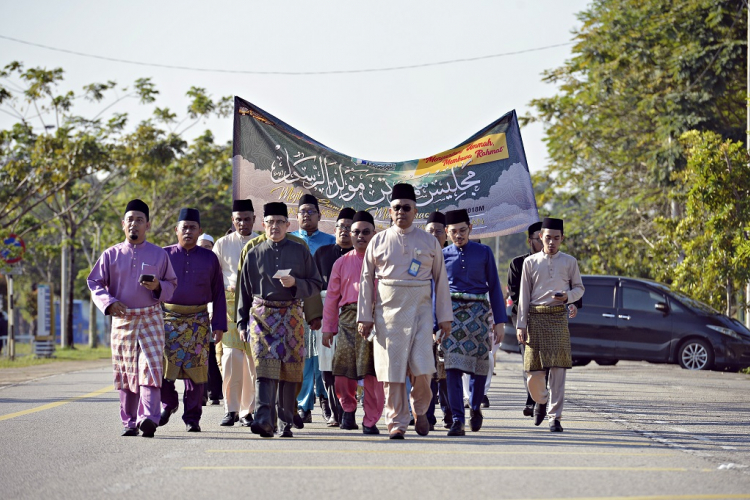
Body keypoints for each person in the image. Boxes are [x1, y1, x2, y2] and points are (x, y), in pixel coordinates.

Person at [358, 183, 452, 440]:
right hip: (387, 316)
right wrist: (364, 317)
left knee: (424, 369)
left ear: (415, 211)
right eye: (397, 207)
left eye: (406, 207)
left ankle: (420, 410)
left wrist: (444, 318)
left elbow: (441, 281)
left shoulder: (429, 241)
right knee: (392, 372)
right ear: (390, 211)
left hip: (421, 313)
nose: (401, 211)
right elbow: (366, 280)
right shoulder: (378, 241)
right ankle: (396, 422)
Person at [87, 199, 177, 437]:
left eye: (139, 220)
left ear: (147, 225)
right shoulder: (110, 255)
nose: (134, 224)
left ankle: (148, 418)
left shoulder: (159, 254)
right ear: (123, 224)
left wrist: (158, 286)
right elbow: (94, 282)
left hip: (151, 317)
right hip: (123, 319)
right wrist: (109, 302)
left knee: (151, 368)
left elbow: (172, 284)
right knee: (127, 371)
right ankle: (129, 422)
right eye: (130, 220)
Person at [236, 202, 323, 438]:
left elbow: (315, 284)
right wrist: (241, 322)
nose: (274, 226)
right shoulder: (253, 253)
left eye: (279, 222)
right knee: (264, 368)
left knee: (289, 371)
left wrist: (296, 284)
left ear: (288, 225)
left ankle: (285, 421)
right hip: (262, 317)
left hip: (292, 316)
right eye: (270, 222)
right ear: (263, 225)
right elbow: (243, 291)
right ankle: (264, 419)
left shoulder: (300, 250)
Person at [441, 209, 507, 436]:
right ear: (447, 232)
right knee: (452, 367)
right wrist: (435, 322)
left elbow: (495, 288)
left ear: (470, 228)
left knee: (480, 366)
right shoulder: (441, 255)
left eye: (462, 230)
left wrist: (499, 321)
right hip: (451, 316)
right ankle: (457, 419)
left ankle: (476, 407)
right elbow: (435, 291)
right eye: (453, 232)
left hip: (479, 315)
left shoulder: (484, 252)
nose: (458, 235)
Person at [159, 209, 226, 432]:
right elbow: (153, 290)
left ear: (199, 231)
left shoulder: (210, 258)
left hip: (198, 321)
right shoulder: (164, 255)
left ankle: (192, 418)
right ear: (176, 230)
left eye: (193, 228)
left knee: (196, 374)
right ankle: (169, 403)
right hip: (168, 320)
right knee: (162, 369)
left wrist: (218, 324)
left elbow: (218, 293)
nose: (188, 231)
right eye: (184, 227)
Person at [516, 217, 584, 432]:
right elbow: (523, 296)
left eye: (556, 238)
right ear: (540, 238)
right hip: (535, 318)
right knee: (532, 372)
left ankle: (555, 417)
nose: (551, 242)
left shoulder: (570, 262)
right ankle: (541, 400)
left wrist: (568, 296)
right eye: (548, 238)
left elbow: (580, 289)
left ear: (562, 238)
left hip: (557, 318)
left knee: (558, 370)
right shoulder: (530, 262)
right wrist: (521, 324)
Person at [322, 210, 384, 434]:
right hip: (348, 319)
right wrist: (328, 328)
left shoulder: (384, 260)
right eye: (355, 232)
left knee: (373, 373)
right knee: (342, 372)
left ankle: (370, 420)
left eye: (365, 232)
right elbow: (331, 297)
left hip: (378, 320)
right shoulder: (341, 263)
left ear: (374, 234)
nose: (360, 236)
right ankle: (348, 411)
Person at [212, 200, 258, 427]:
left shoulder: (262, 242)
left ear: (254, 219)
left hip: (256, 308)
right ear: (233, 220)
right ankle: (230, 409)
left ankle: (247, 411)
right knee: (231, 358)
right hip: (229, 306)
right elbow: (213, 278)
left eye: (247, 219)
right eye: (238, 219)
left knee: (251, 361)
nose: (242, 223)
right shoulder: (221, 244)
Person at [293, 194, 335, 424]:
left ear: (319, 215)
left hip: (323, 306)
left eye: (311, 211)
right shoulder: (289, 241)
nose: (307, 215)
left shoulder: (330, 242)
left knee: (323, 357)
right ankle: (303, 406)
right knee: (304, 358)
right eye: (303, 212)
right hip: (296, 306)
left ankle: (326, 402)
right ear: (296, 216)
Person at [313, 206, 356, 427]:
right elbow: (313, 286)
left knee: (349, 365)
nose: (345, 231)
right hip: (325, 315)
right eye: (341, 227)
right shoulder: (322, 254)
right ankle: (333, 410)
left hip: (352, 316)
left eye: (350, 227)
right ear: (335, 228)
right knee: (327, 365)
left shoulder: (362, 256)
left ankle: (349, 409)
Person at [424, 211, 452, 429]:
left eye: (438, 231)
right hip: (423, 322)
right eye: (429, 231)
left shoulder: (452, 257)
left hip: (448, 323)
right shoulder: (419, 257)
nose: (434, 235)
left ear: (446, 235)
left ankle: (449, 413)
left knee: (446, 371)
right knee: (427, 371)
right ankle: (428, 415)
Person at [197, 233, 223, 405]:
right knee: (200, 355)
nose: (204, 249)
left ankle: (215, 393)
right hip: (198, 315)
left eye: (208, 246)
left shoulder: (216, 264)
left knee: (214, 356)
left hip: (215, 314)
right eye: (201, 246)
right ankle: (202, 393)